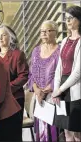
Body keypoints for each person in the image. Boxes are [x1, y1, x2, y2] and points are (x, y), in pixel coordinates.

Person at [0, 25, 29, 141]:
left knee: (13, 134)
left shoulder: (17, 54)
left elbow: (23, 76)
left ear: (11, 37)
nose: (0, 38)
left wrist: (7, 89)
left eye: (4, 35)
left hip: (14, 99)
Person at [52, 6, 81, 141]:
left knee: (77, 133)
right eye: (66, 18)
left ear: (79, 19)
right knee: (67, 131)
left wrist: (60, 89)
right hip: (62, 88)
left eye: (71, 18)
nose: (67, 21)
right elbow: (59, 67)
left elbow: (77, 72)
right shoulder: (64, 40)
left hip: (75, 89)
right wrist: (56, 89)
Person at [28, 20, 60, 141]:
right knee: (40, 134)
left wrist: (46, 90)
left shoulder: (60, 51)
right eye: (42, 31)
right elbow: (31, 74)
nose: (44, 34)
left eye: (47, 31)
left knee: (53, 133)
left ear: (55, 32)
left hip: (54, 98)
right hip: (39, 98)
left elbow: (62, 75)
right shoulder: (36, 51)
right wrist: (37, 90)